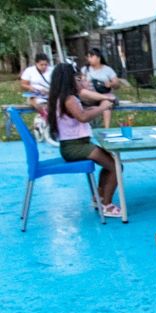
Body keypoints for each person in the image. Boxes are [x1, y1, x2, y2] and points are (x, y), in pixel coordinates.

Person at [47, 63, 121, 217]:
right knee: (116, 167)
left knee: (110, 164)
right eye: (77, 78)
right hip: (75, 147)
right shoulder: (69, 99)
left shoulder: (62, 98)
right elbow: (82, 117)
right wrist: (102, 108)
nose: (79, 81)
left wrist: (94, 108)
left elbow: (80, 112)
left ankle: (99, 198)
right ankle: (107, 205)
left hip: (76, 145)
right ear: (69, 79)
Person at [81, 48, 119, 128]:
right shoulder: (85, 69)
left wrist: (111, 84)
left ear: (98, 58)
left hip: (103, 95)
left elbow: (117, 84)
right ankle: (87, 129)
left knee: (106, 103)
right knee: (83, 94)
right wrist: (84, 82)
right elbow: (81, 83)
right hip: (90, 98)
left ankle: (106, 129)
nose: (89, 59)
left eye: (91, 56)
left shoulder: (107, 69)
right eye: (88, 57)